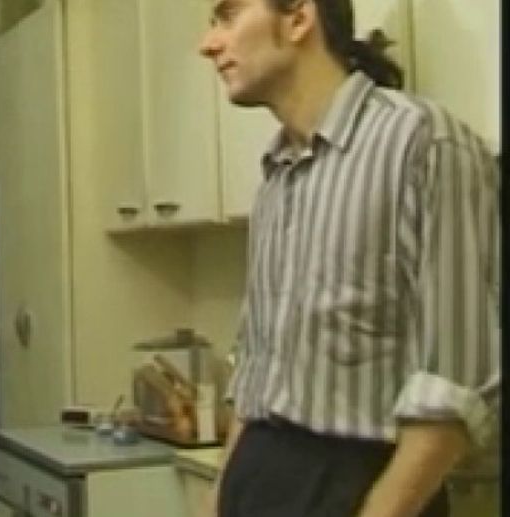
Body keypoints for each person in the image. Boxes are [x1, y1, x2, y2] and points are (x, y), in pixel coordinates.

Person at [197, 0, 499, 516]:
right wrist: (218, 499)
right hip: (256, 479)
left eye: (228, 15)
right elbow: (255, 376)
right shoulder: (276, 176)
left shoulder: (424, 142)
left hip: (354, 486)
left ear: (298, 18)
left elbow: (456, 381)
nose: (208, 44)